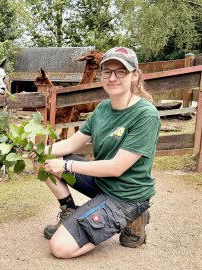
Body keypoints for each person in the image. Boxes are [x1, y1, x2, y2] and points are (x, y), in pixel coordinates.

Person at [33, 47, 160, 258]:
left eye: (121, 72)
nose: (112, 77)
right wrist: (37, 151)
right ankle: (71, 211)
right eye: (107, 71)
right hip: (102, 183)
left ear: (135, 76)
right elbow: (72, 143)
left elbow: (116, 167)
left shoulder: (145, 115)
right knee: (42, 159)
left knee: (60, 248)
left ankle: (134, 215)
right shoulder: (102, 109)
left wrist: (65, 165)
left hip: (126, 195)